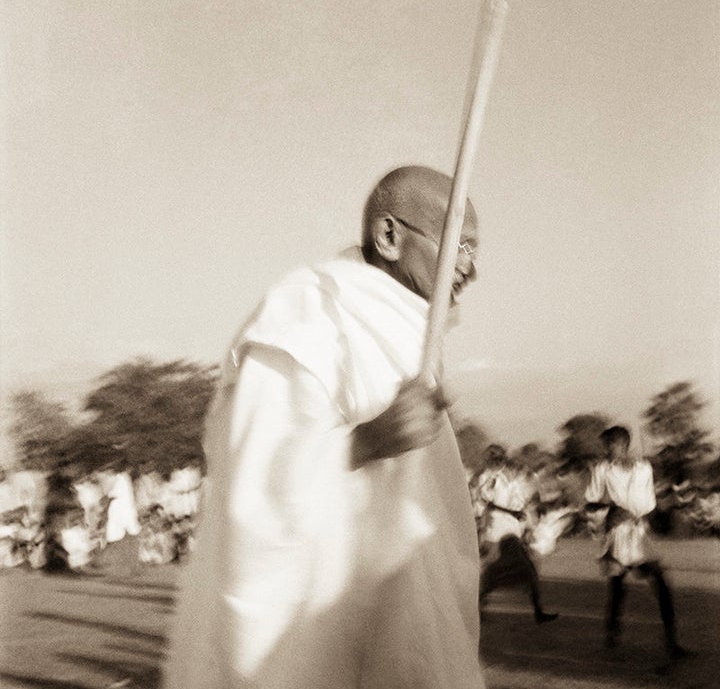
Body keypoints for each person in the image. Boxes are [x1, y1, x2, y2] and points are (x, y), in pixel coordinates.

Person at [162, 166, 484, 689]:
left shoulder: (407, 332)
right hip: (318, 643)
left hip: (406, 622)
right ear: (389, 237)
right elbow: (253, 484)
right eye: (461, 246)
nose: (471, 268)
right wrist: (365, 440)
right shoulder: (308, 315)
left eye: (474, 251)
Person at [585, 425, 690, 661]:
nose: (606, 450)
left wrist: (658, 515)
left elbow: (649, 504)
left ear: (622, 444)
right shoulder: (602, 469)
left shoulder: (644, 468)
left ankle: (672, 643)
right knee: (618, 588)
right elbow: (589, 502)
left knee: (661, 585)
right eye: (605, 446)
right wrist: (611, 508)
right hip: (617, 534)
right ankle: (612, 632)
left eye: (609, 445)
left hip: (639, 535)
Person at [476, 446, 559, 624]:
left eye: (499, 457)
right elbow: (486, 501)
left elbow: (519, 503)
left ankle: (538, 611)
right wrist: (512, 512)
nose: (497, 461)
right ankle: (478, 610)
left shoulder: (512, 481)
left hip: (512, 531)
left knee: (527, 570)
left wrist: (523, 515)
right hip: (496, 532)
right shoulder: (488, 478)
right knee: (493, 573)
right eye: (494, 457)